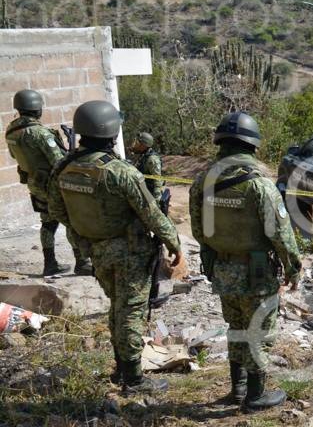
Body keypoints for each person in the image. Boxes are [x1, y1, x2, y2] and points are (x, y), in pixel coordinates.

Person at [48, 101, 182, 393]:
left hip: (95, 251)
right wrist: (174, 243)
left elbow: (56, 210)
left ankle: (121, 369)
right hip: (130, 252)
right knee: (130, 311)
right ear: (111, 133)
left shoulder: (64, 167)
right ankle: (133, 380)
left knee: (117, 307)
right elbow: (152, 214)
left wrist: (87, 232)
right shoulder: (121, 171)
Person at [188, 112, 302, 411]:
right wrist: (293, 269)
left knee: (236, 326)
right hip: (256, 272)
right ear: (253, 146)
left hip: (223, 269)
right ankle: (255, 396)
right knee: (258, 331)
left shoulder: (202, 182)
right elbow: (281, 235)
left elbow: (198, 230)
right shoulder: (260, 186)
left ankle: (237, 389)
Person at [5, 89, 91, 276]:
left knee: (48, 222)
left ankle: (50, 263)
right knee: (71, 221)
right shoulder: (41, 134)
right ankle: (82, 262)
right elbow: (58, 162)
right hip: (53, 186)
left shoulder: (11, 132)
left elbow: (14, 156)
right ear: (37, 109)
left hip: (34, 184)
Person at [130, 132, 165, 197]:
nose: (136, 144)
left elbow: (157, 180)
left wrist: (157, 198)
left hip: (150, 194)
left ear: (144, 145)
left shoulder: (152, 159)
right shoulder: (142, 155)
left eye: (138, 143)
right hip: (143, 191)